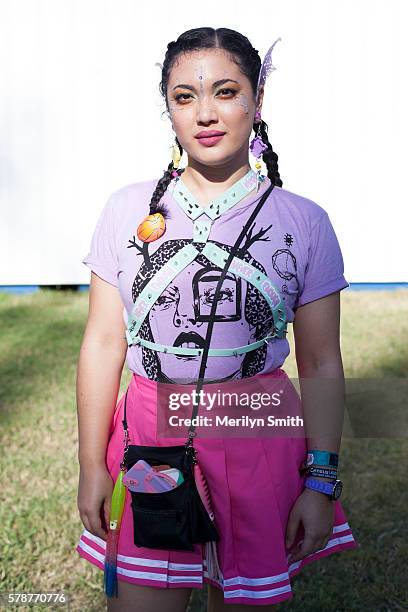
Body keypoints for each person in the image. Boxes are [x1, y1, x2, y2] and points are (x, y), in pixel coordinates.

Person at [76, 27, 359, 611]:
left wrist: (321, 481)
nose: (205, 113)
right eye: (185, 97)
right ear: (169, 111)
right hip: (149, 443)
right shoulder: (127, 209)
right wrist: (88, 466)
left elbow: (323, 361)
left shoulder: (304, 222)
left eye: (225, 92)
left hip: (259, 440)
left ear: (257, 102)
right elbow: (104, 342)